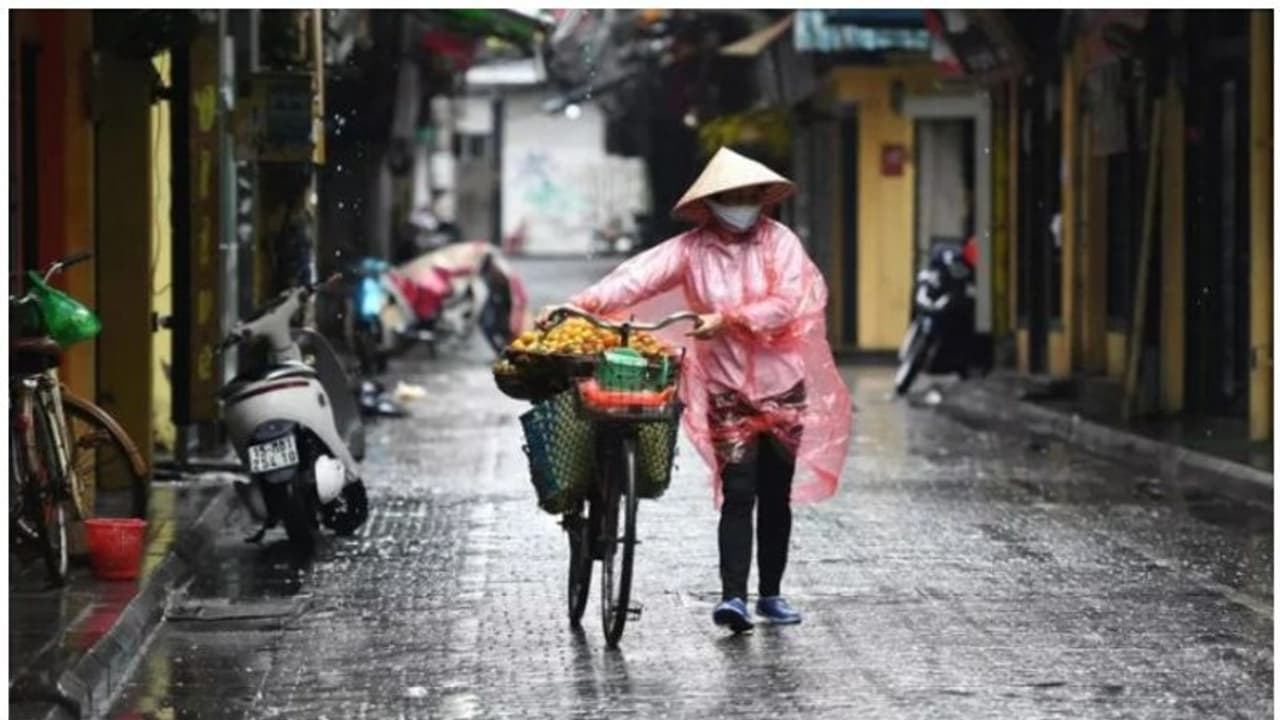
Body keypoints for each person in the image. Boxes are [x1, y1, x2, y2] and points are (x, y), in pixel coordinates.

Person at [539, 147, 852, 633]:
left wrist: (729, 319)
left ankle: (770, 593)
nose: (741, 203)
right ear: (712, 202)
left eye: (749, 195)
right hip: (727, 387)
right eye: (732, 196)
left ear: (762, 199)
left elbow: (788, 302)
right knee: (739, 490)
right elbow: (634, 278)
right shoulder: (690, 250)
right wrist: (577, 304)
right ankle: (733, 598)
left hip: (783, 384)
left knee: (775, 492)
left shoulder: (781, 243)